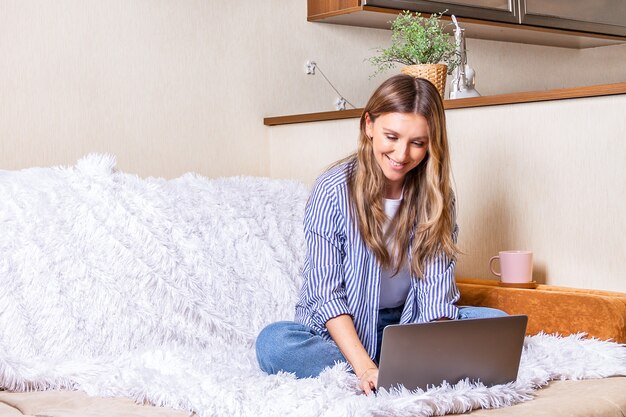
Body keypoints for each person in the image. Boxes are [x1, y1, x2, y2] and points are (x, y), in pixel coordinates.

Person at [255, 75, 506, 395]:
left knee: (496, 322)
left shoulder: (437, 197)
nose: (402, 154)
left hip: (409, 325)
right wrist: (364, 367)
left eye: (418, 143)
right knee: (274, 344)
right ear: (368, 125)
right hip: (341, 330)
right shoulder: (332, 191)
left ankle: (403, 362)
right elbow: (325, 295)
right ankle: (386, 365)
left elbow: (436, 293)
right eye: (392, 136)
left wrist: (435, 343)